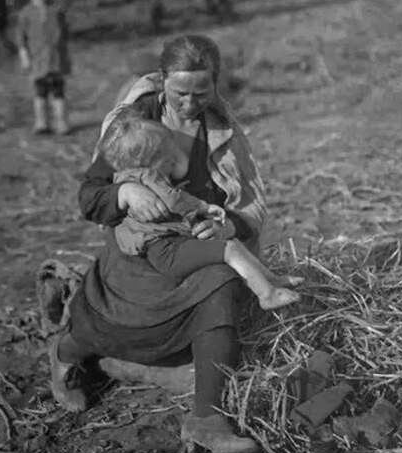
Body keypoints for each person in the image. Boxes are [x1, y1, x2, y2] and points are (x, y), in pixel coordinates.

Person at [49, 34, 286, 453]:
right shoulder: (134, 124)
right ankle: (65, 356)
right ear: (161, 81)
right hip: (137, 255)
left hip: (188, 247)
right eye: (180, 93)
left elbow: (247, 207)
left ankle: (206, 420)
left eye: (202, 92)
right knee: (101, 327)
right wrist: (124, 195)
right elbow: (90, 197)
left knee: (221, 283)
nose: (190, 104)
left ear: (217, 84)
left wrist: (223, 225)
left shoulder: (223, 133)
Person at [97, 112, 302, 310]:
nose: (172, 162)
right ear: (148, 161)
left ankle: (269, 279)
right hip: (167, 251)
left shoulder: (128, 178)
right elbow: (174, 199)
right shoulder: (147, 177)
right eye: (167, 158)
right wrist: (204, 207)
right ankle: (267, 296)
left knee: (232, 244)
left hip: (170, 244)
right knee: (229, 250)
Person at [17, 0, 71, 135]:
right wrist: (24, 56)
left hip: (56, 59)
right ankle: (41, 122)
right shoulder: (26, 13)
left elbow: (65, 32)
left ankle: (61, 122)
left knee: (58, 92)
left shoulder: (56, 10)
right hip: (37, 60)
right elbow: (21, 38)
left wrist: (65, 55)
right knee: (40, 93)